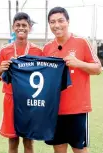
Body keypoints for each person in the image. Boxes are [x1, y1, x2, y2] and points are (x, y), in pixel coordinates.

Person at [43, 7, 102, 153]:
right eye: (52, 22)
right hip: (55, 110)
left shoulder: (81, 42)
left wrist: (78, 63)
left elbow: (98, 69)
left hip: (77, 109)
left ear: (68, 21)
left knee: (79, 149)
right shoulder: (47, 48)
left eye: (60, 20)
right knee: (59, 149)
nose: (56, 25)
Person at [0, 12, 42, 153]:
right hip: (11, 99)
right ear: (13, 28)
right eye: (18, 25)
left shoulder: (38, 51)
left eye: (24, 25)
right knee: (13, 141)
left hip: (30, 101)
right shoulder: (4, 50)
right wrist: (1, 70)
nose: (21, 28)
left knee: (28, 141)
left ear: (30, 28)